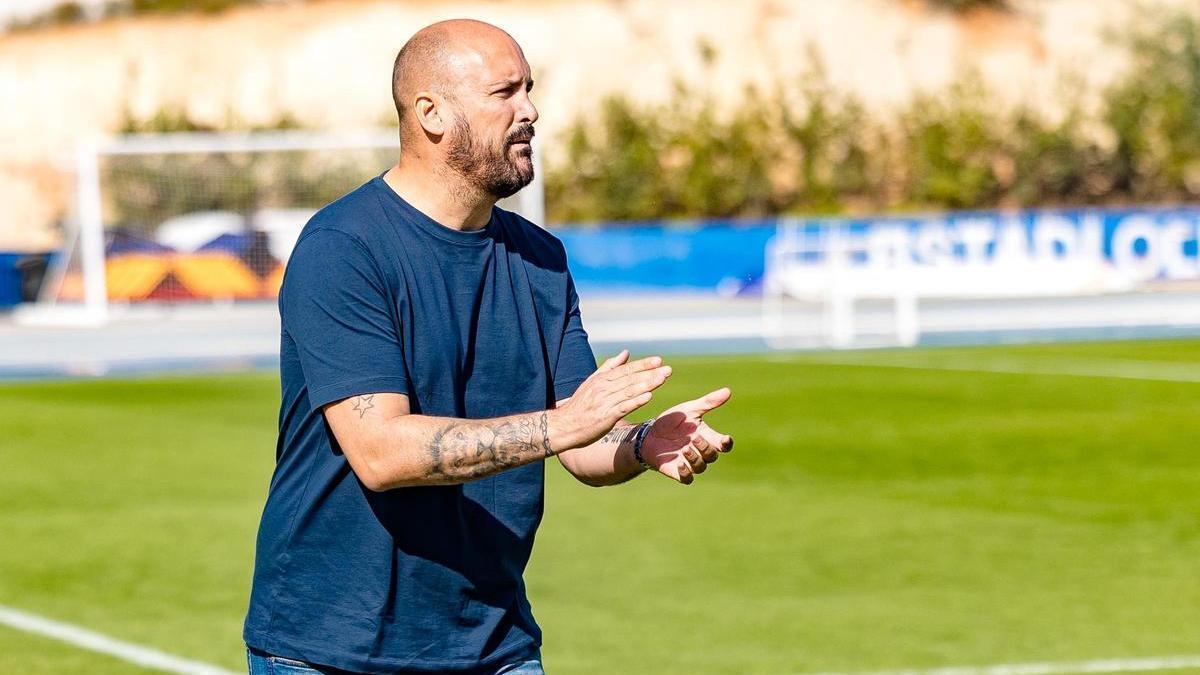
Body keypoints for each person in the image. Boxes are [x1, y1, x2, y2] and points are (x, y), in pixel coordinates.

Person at [243, 18, 735, 675]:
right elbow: (382, 452)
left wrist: (642, 441)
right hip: (331, 650)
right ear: (432, 113)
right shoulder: (344, 247)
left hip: (494, 645)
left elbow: (581, 442)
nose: (530, 110)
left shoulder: (540, 258)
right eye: (505, 92)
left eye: (530, 89)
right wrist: (563, 425)